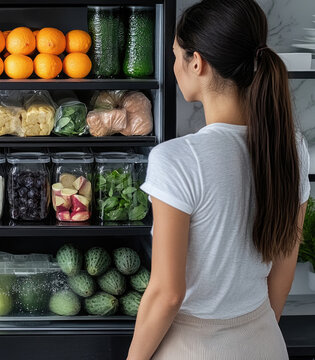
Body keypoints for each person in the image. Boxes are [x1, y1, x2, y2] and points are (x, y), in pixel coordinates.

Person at [126, 0, 310, 359]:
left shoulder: (177, 159)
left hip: (192, 348)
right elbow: (283, 270)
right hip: (264, 342)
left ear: (198, 63)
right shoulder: (292, 148)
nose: (175, 65)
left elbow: (168, 293)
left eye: (177, 55)